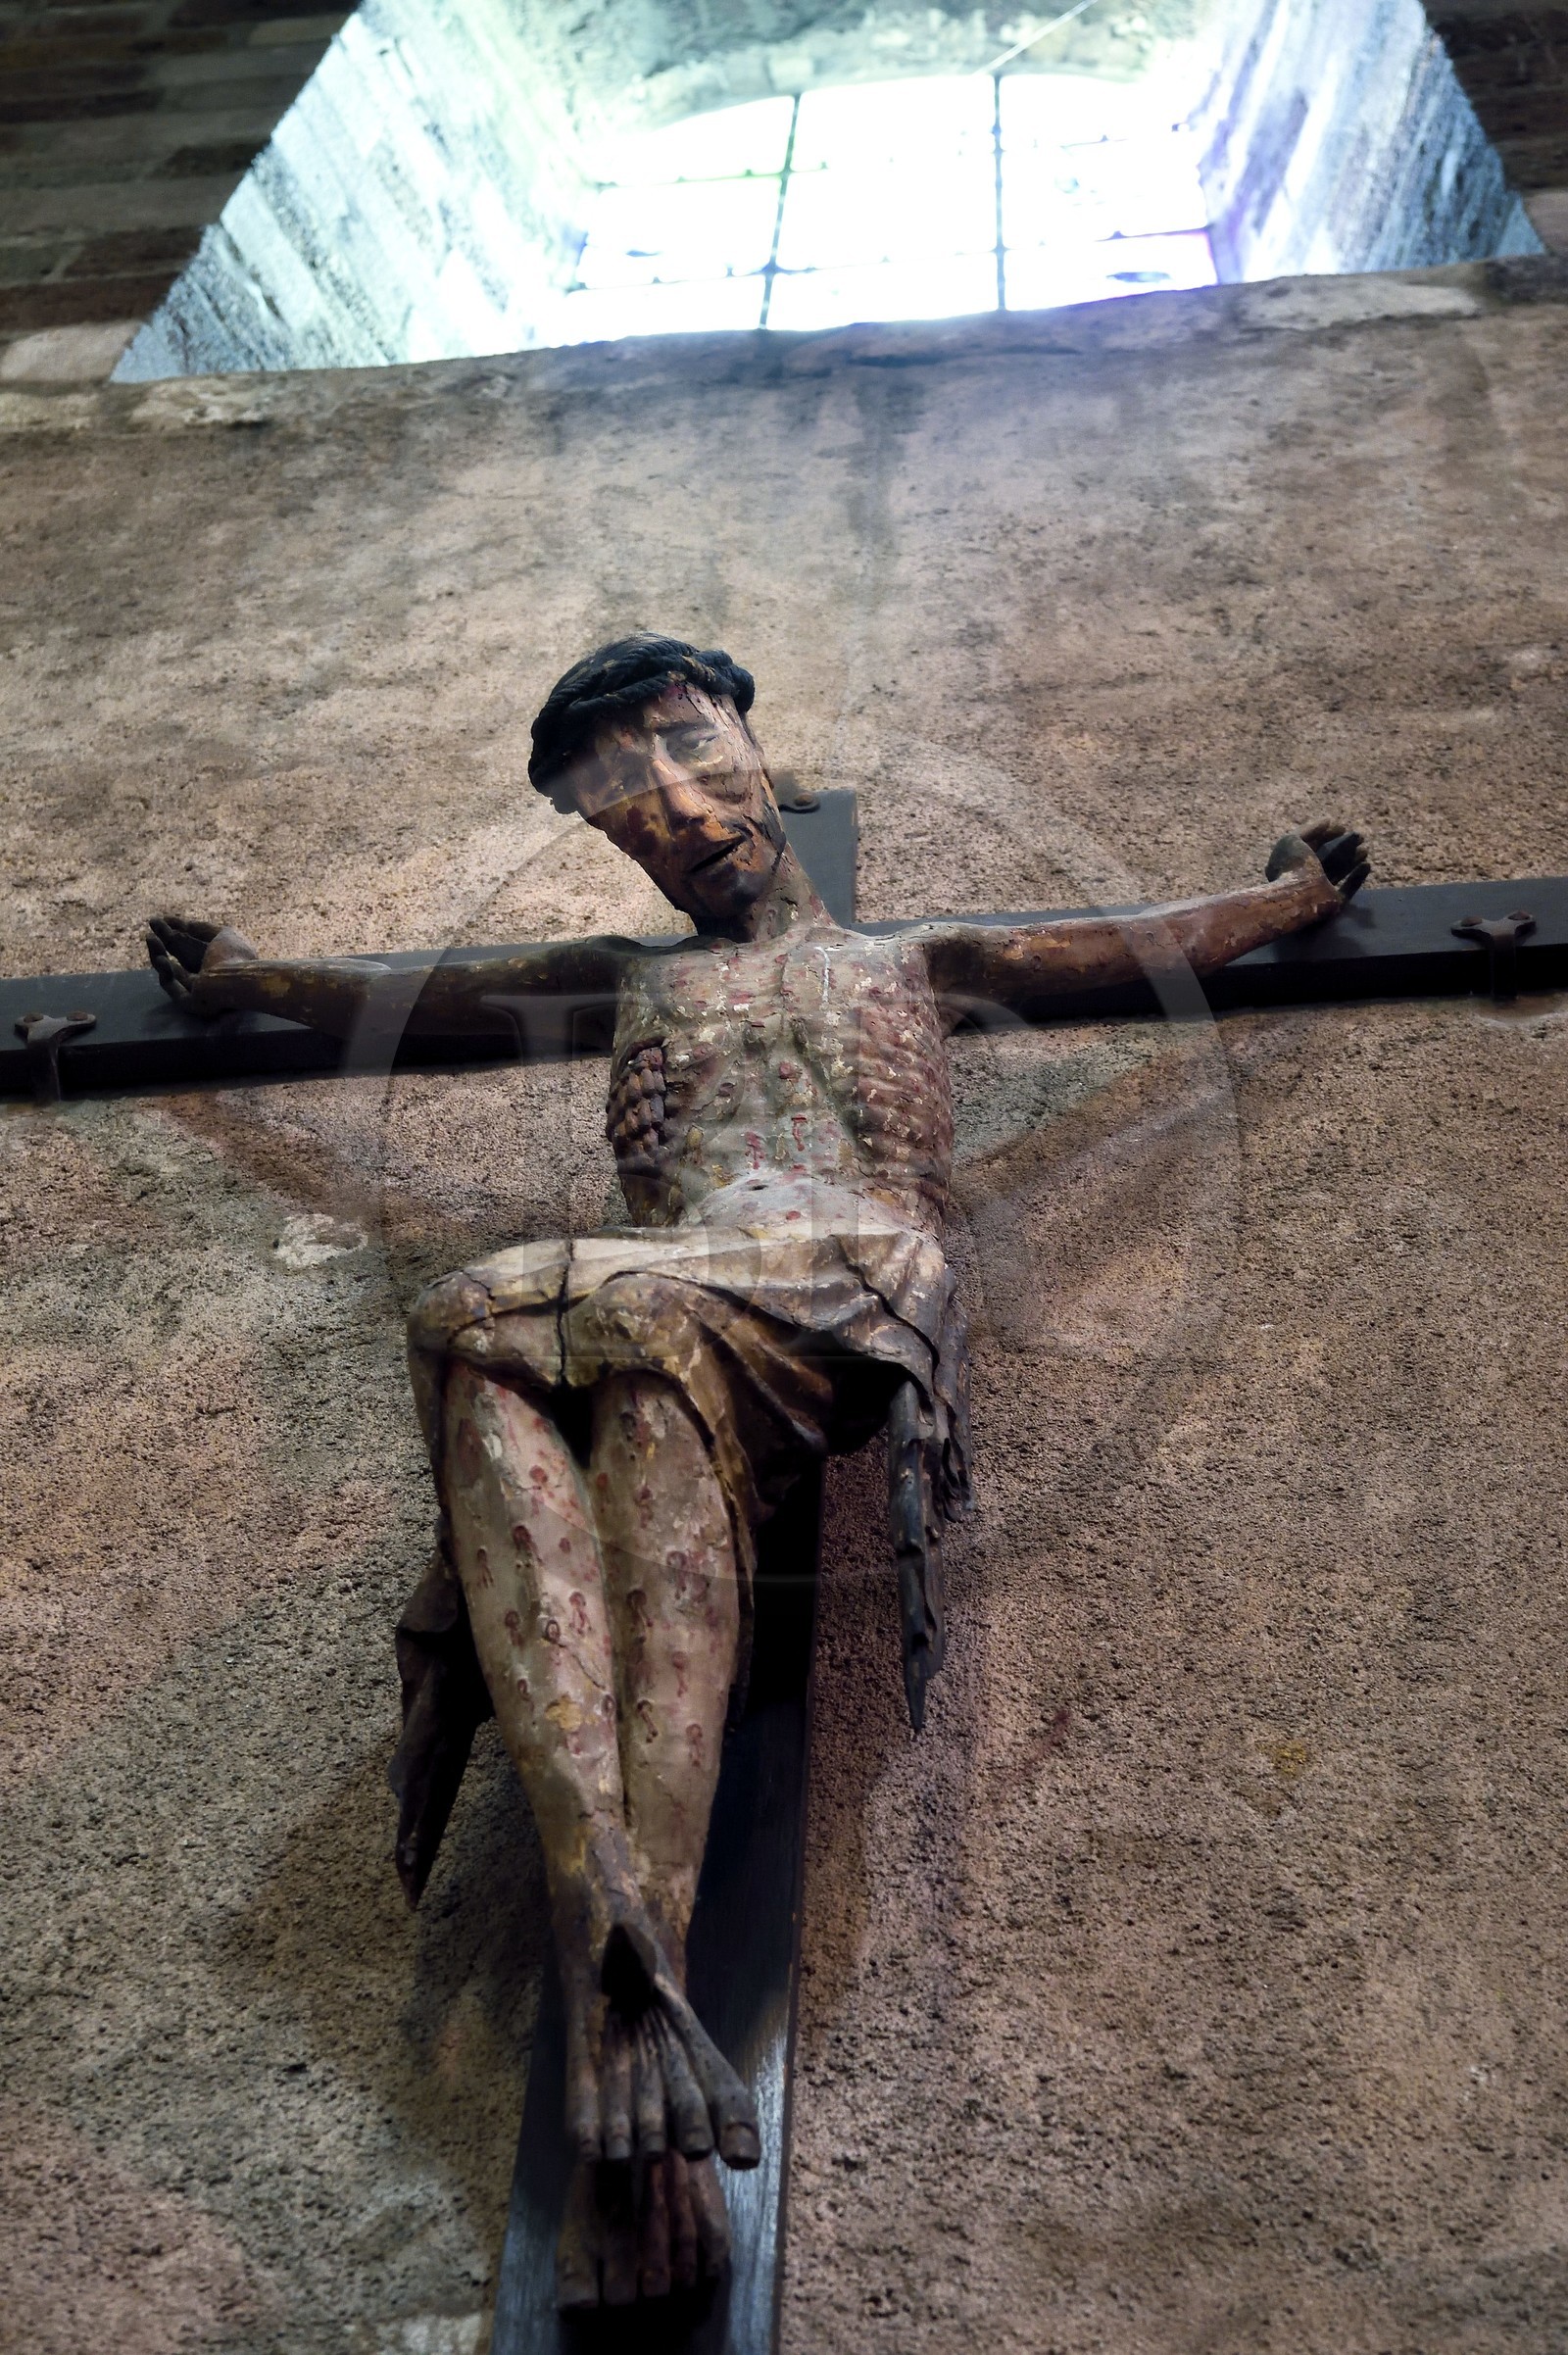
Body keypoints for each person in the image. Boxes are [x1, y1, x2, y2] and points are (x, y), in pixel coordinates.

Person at [147, 633, 1369, 2308]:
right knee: (588, 1391)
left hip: (851, 1267)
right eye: (621, 803)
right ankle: (627, 1981)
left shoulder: (916, 959)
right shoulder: (622, 979)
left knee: (512, 1311)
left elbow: (1135, 951)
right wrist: (249, 986)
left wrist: (1289, 904)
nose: (671, 809)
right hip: (672, 1321)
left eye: (686, 750)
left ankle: (608, 1964)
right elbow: (404, 1002)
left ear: (753, 752)